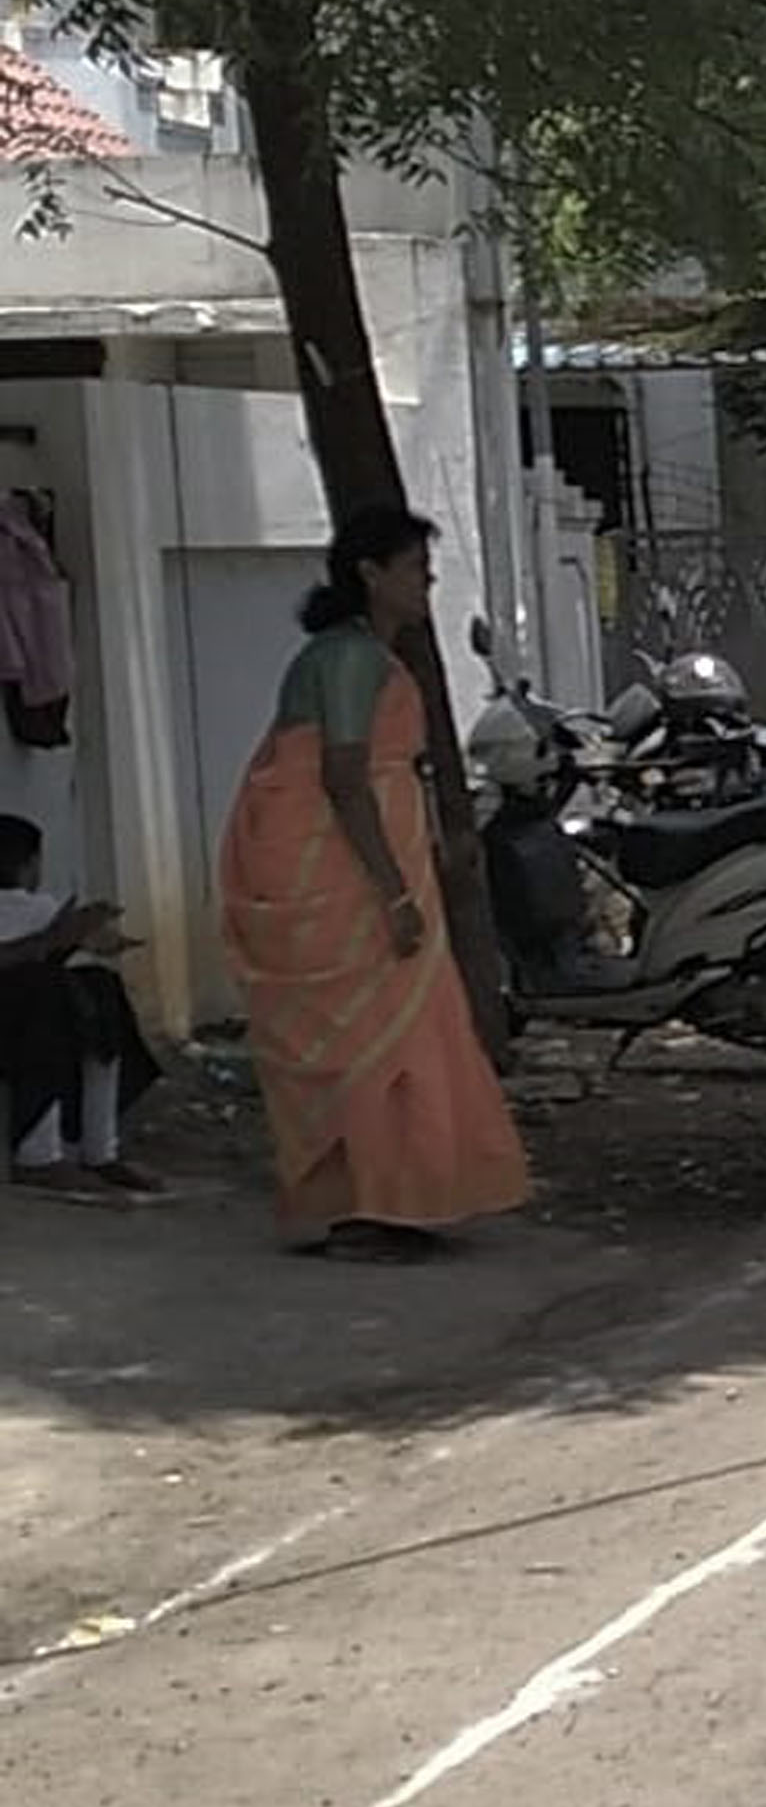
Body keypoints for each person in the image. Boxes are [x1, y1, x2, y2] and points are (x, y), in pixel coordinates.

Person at [214, 506, 530, 1261]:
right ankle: (367, 1203)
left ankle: (389, 1197)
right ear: (370, 574)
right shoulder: (351, 659)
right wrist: (392, 892)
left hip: (362, 855)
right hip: (346, 870)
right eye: (416, 571)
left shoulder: (361, 655)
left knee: (387, 1030)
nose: (427, 584)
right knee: (371, 1034)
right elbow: (344, 778)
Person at [0, 810, 159, 1197]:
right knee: (49, 995)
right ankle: (43, 1156)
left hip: (30, 1017)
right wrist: (54, 940)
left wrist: (79, 936)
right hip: (21, 1022)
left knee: (98, 989)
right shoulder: (42, 913)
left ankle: (98, 1152)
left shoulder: (41, 910)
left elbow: (89, 946)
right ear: (30, 865)